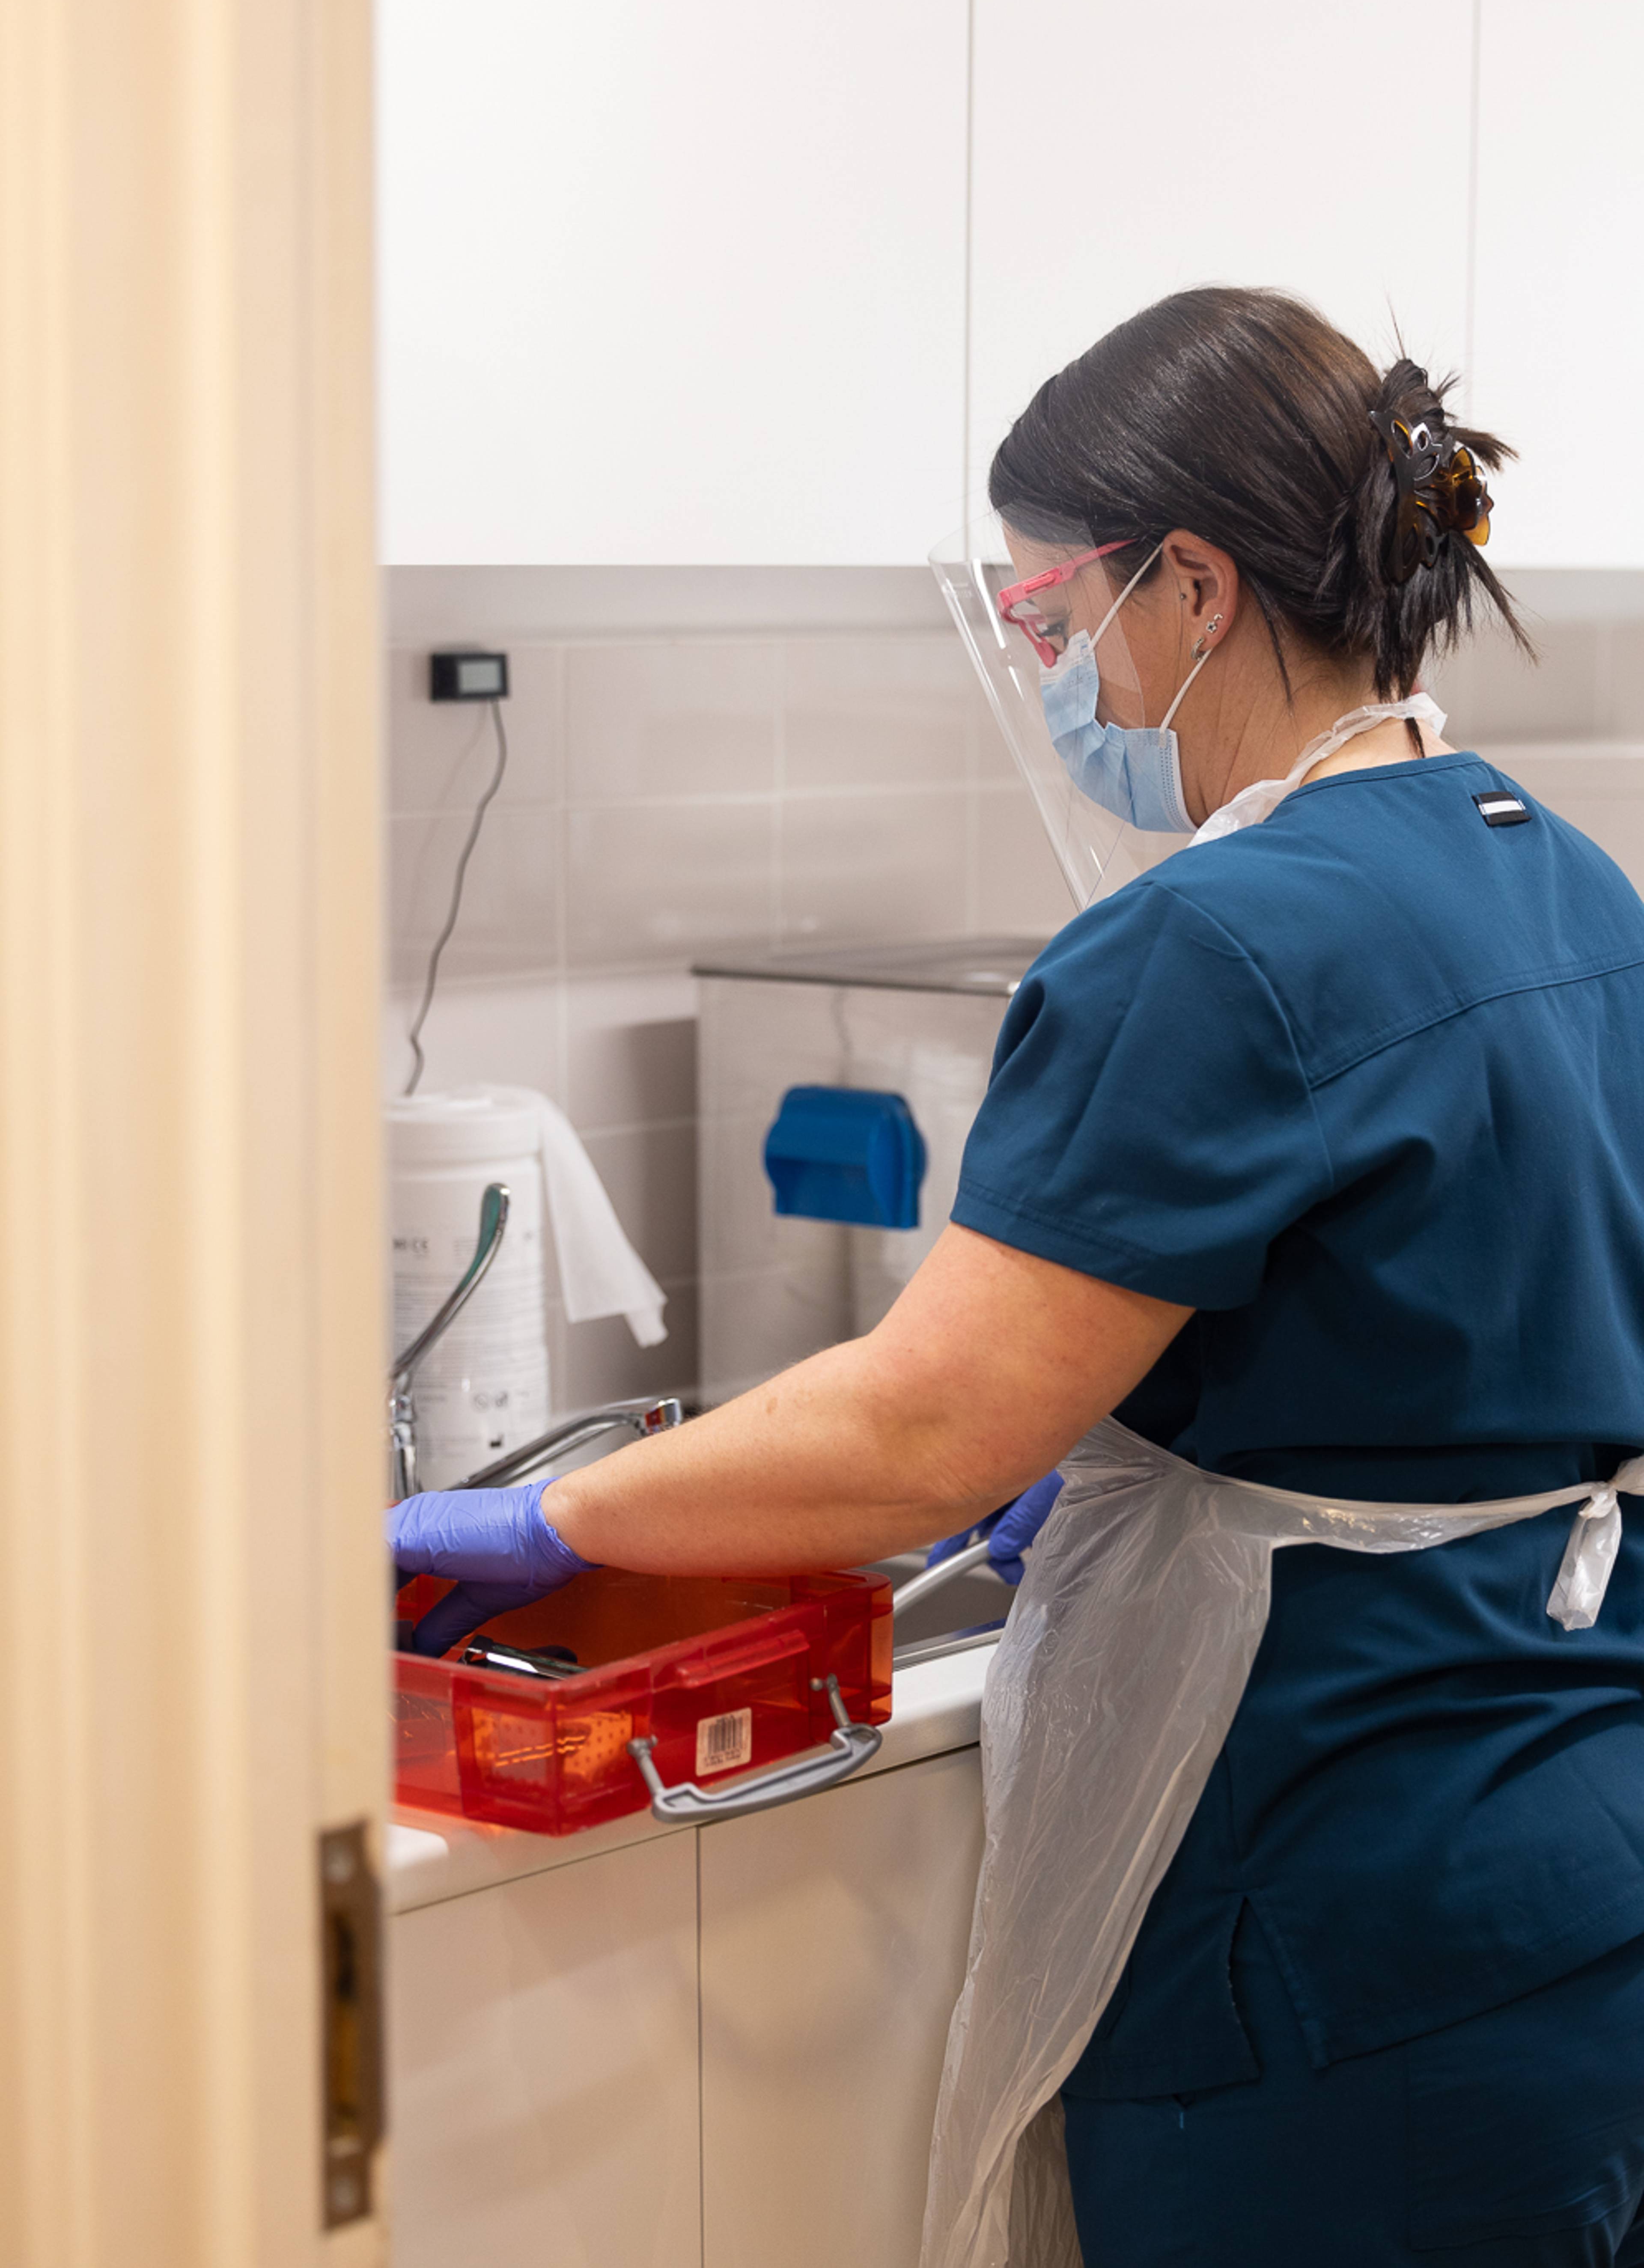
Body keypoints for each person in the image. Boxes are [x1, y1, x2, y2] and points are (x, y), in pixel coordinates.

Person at [390, 287, 1644, 2268]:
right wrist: (1186, 1439)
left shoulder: (1211, 946)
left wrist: (541, 1513)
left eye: (1054, 621)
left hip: (1330, 1926)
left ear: (1197, 585)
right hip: (1576, 1868)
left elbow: (911, 1432)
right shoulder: (1559, 872)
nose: (1052, 674)